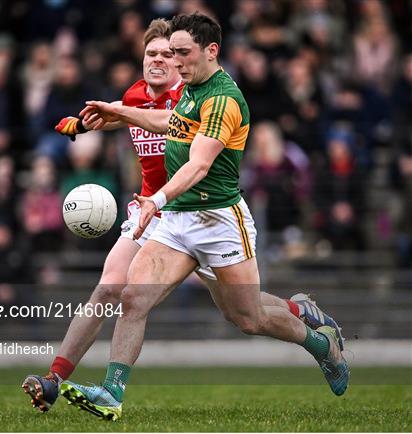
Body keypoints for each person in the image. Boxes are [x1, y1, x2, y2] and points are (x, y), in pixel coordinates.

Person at [22, 17, 343, 415]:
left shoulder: (221, 98)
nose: (168, 59)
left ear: (211, 51)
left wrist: (157, 197)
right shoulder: (184, 90)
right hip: (172, 216)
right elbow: (168, 122)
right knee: (129, 296)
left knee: (247, 316)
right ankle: (109, 392)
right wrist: (115, 114)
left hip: (216, 219)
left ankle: (319, 342)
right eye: (158, 53)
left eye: (176, 53)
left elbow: (198, 165)